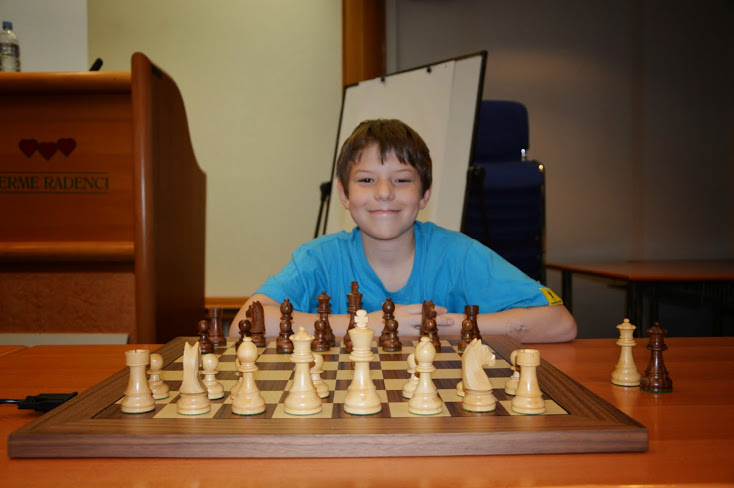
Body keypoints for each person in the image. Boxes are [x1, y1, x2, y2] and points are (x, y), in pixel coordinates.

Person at [230, 119, 576, 343]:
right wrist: (365, 326)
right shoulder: (318, 258)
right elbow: (241, 324)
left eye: (402, 180)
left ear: (425, 194)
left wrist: (448, 326)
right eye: (367, 180)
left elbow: (560, 323)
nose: (384, 192)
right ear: (344, 195)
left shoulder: (458, 254)